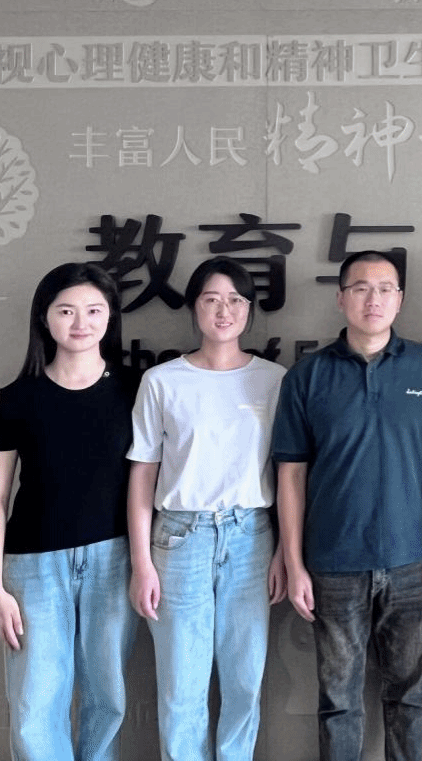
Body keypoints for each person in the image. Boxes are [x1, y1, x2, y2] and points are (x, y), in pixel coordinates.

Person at [272, 249, 422, 761]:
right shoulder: (307, 376)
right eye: (361, 288)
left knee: (409, 695)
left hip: (412, 560)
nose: (374, 299)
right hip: (333, 564)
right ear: (340, 298)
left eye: (385, 289)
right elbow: (291, 474)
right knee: (338, 700)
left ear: (400, 299)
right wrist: (294, 561)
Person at [127, 256, 287, 761]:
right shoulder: (162, 381)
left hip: (251, 537)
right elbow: (143, 473)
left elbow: (288, 473)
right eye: (211, 299)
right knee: (182, 686)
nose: (224, 310)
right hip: (180, 539)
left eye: (235, 300)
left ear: (249, 309)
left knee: (244, 682)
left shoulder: (273, 380)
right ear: (194, 307)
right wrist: (141, 563)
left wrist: (284, 550)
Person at [0, 262, 139, 761]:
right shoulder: (14, 399)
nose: (81, 322)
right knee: (35, 703)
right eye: (66, 311)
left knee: (107, 698)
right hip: (33, 567)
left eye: (94, 310)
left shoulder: (136, 391)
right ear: (44, 318)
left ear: (110, 317)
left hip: (115, 559)